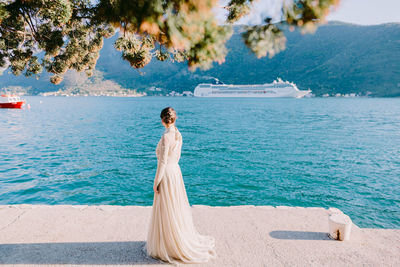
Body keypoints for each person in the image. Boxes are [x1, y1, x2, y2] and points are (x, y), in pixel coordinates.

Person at [145, 107, 217, 264]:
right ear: (174, 119)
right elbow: (175, 157)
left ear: (162, 120)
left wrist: (156, 182)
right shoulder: (178, 133)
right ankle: (175, 239)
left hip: (167, 174)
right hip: (176, 172)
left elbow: (162, 162)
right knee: (175, 208)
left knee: (166, 208)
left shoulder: (166, 137)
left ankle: (168, 245)